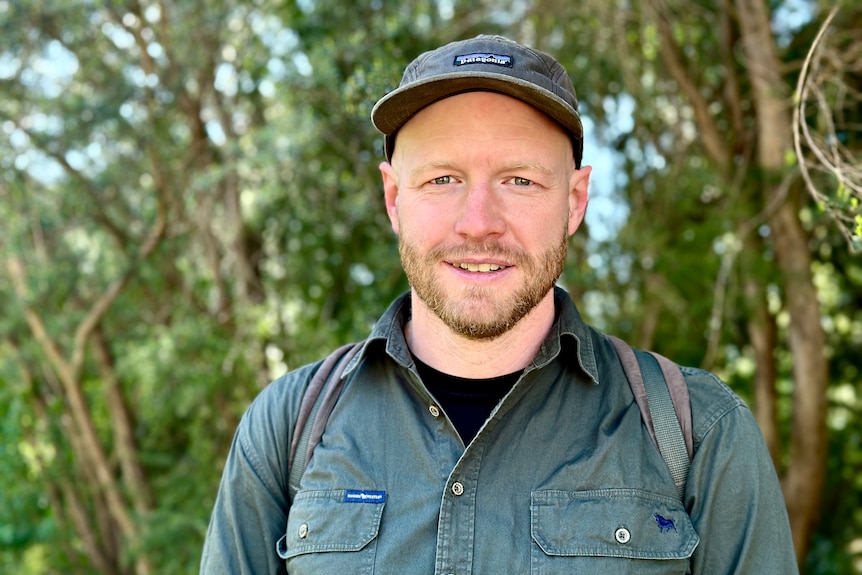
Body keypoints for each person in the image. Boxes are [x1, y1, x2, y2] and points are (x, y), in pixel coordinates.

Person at [200, 34, 799, 574]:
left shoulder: (697, 432)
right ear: (393, 198)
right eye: (442, 179)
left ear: (575, 200)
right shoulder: (288, 429)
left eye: (520, 180)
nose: (479, 223)